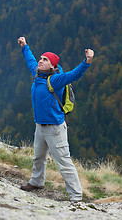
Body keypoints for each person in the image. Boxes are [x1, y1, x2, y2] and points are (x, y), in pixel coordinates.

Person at [17, 36, 94, 202]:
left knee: (64, 163)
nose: (40, 60)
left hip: (54, 129)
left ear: (52, 65)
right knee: (38, 157)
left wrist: (87, 62)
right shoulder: (37, 75)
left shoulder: (56, 79)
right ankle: (36, 182)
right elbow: (30, 59)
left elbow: (74, 74)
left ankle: (76, 197)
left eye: (45, 60)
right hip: (40, 127)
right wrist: (25, 46)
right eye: (41, 58)